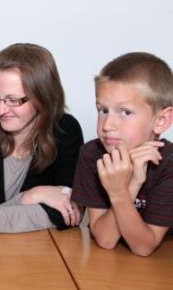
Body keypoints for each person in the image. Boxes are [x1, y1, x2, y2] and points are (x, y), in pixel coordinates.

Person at [0, 43, 84, 243]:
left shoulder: (65, 131)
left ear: (43, 97)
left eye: (13, 100)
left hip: (40, 254)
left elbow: (68, 213)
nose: (0, 110)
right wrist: (30, 196)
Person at [71, 52, 173, 256]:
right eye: (103, 110)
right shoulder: (92, 155)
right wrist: (131, 184)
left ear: (160, 120)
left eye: (125, 112)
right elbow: (106, 240)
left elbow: (144, 247)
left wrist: (118, 192)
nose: (107, 125)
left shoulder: (168, 163)